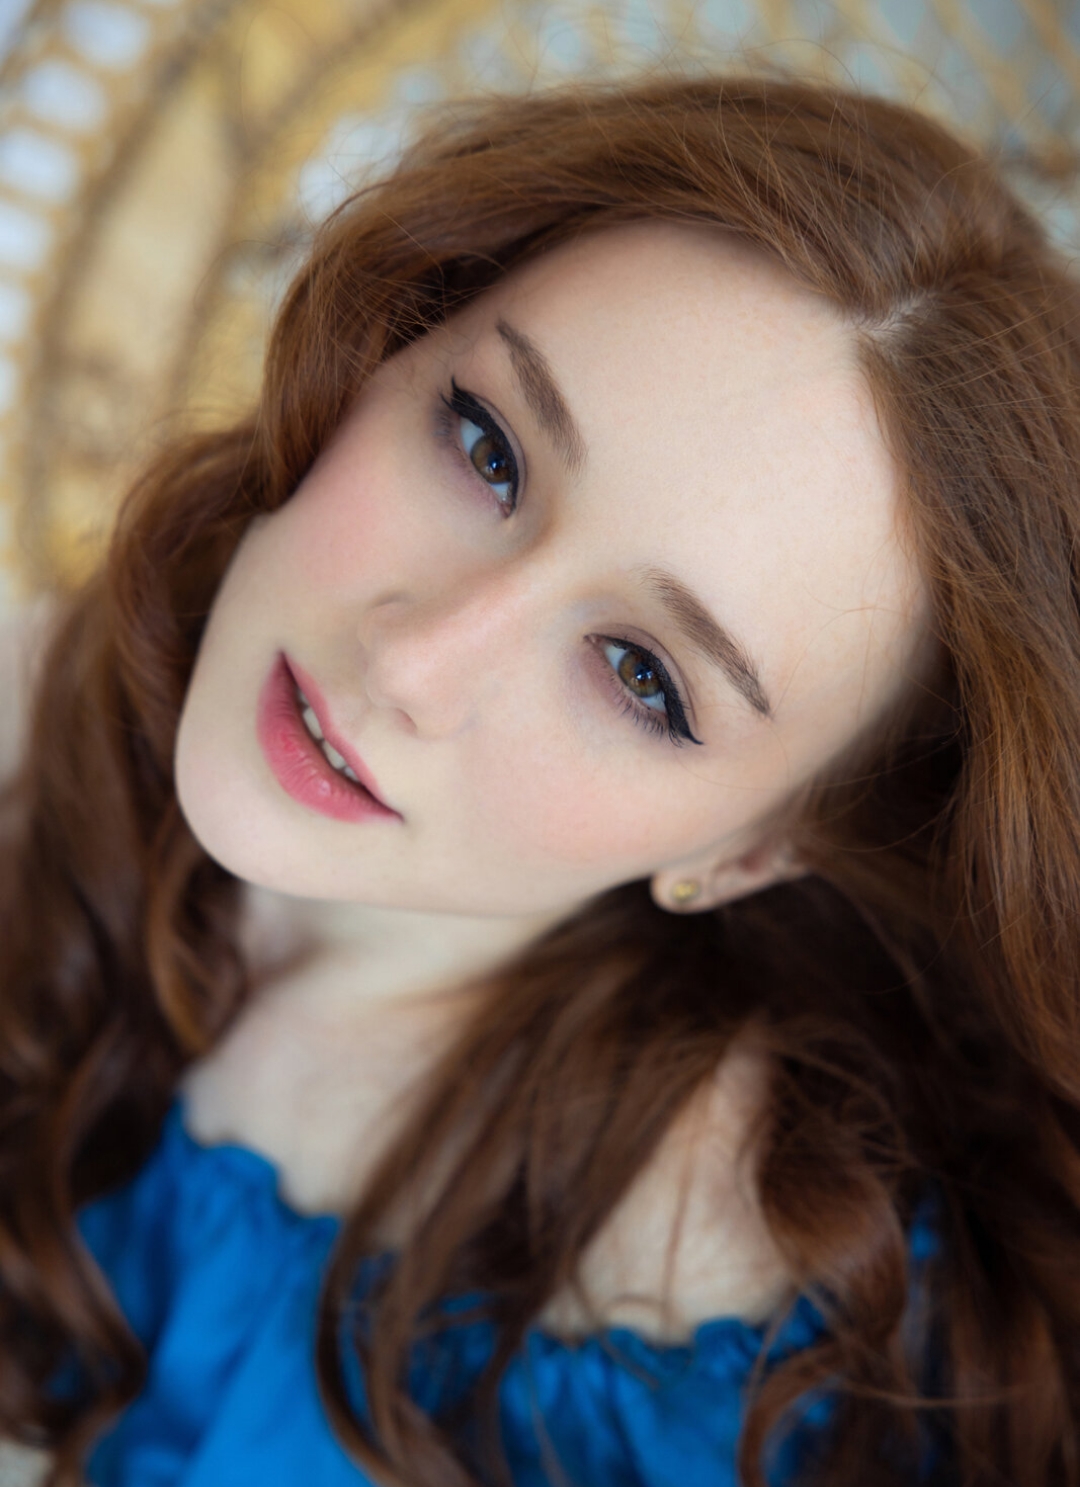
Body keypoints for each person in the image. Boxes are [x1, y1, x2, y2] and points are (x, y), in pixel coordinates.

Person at [0, 67, 1078, 1487]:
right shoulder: (42, 707)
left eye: (642, 677)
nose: (414, 663)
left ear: (754, 848)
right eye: (487, 447)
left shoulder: (710, 1331)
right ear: (386, 343)